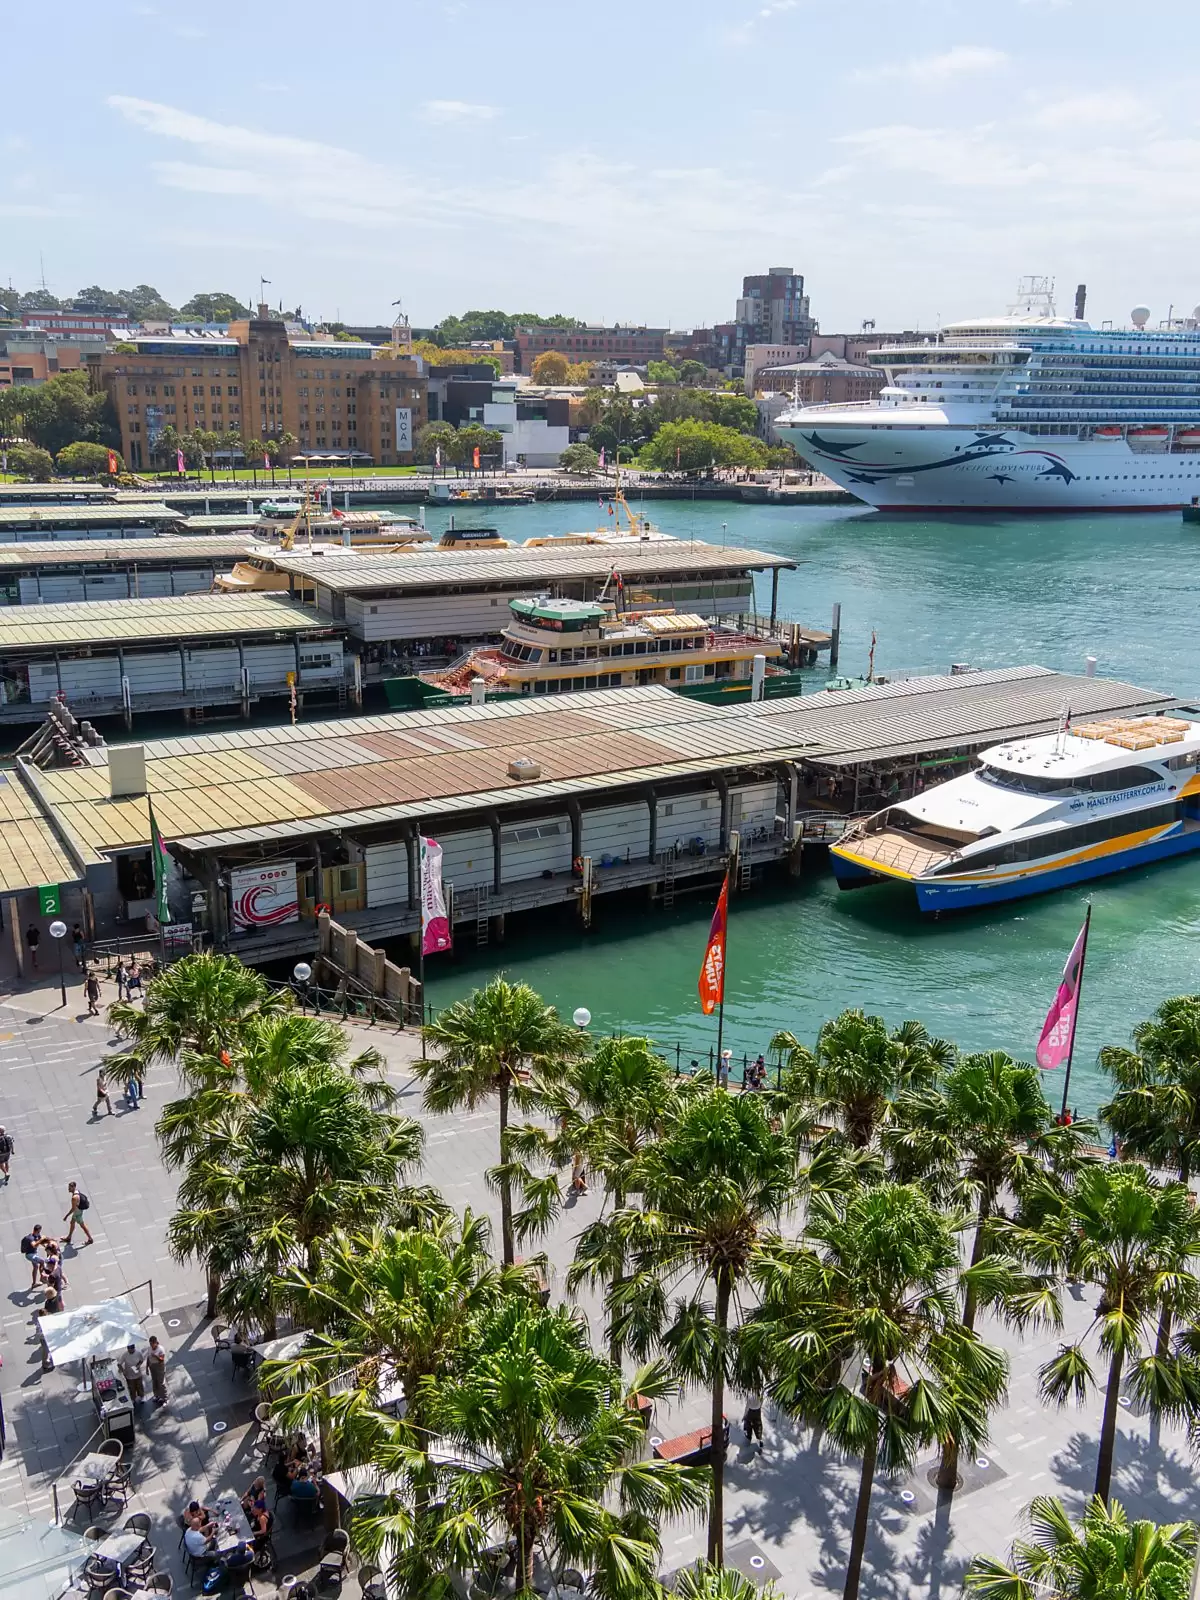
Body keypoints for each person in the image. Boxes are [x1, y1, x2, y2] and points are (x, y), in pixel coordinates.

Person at [63, 1181, 93, 1246]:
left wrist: (66, 1216)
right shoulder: (77, 1191)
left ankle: (90, 1239)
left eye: (70, 1188)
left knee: (82, 1225)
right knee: (72, 1222)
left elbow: (73, 1209)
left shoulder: (74, 1198)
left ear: (73, 1187)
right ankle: (69, 1237)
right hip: (78, 1210)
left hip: (77, 1212)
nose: (68, 1189)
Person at [20, 1224, 44, 1289]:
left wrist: (47, 1245)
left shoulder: (37, 1236)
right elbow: (34, 1245)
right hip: (29, 1255)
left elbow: (42, 1242)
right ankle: (42, 1277)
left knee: (36, 1267)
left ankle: (34, 1283)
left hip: (34, 1254)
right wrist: (40, 1240)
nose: (39, 1233)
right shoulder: (31, 1238)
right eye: (38, 1232)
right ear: (34, 1231)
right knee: (42, 1261)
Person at [146, 1335, 168, 1404]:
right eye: (150, 1344)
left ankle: (164, 1397)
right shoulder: (149, 1348)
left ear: (155, 1342)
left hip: (159, 1366)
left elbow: (162, 1359)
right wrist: (147, 1367)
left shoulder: (160, 1349)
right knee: (154, 1381)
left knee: (161, 1382)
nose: (151, 1345)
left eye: (152, 1344)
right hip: (152, 1366)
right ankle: (156, 1395)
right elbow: (148, 1358)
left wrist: (156, 1356)